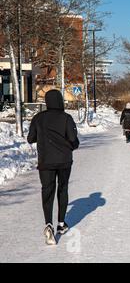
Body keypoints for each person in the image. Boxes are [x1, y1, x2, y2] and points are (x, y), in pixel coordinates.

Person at [27, 90, 80, 246]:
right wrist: (73, 145)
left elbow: (30, 138)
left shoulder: (38, 118)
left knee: (47, 191)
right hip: (64, 161)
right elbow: (73, 139)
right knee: (62, 189)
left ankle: (48, 224)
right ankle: (61, 224)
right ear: (60, 101)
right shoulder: (66, 118)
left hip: (45, 162)